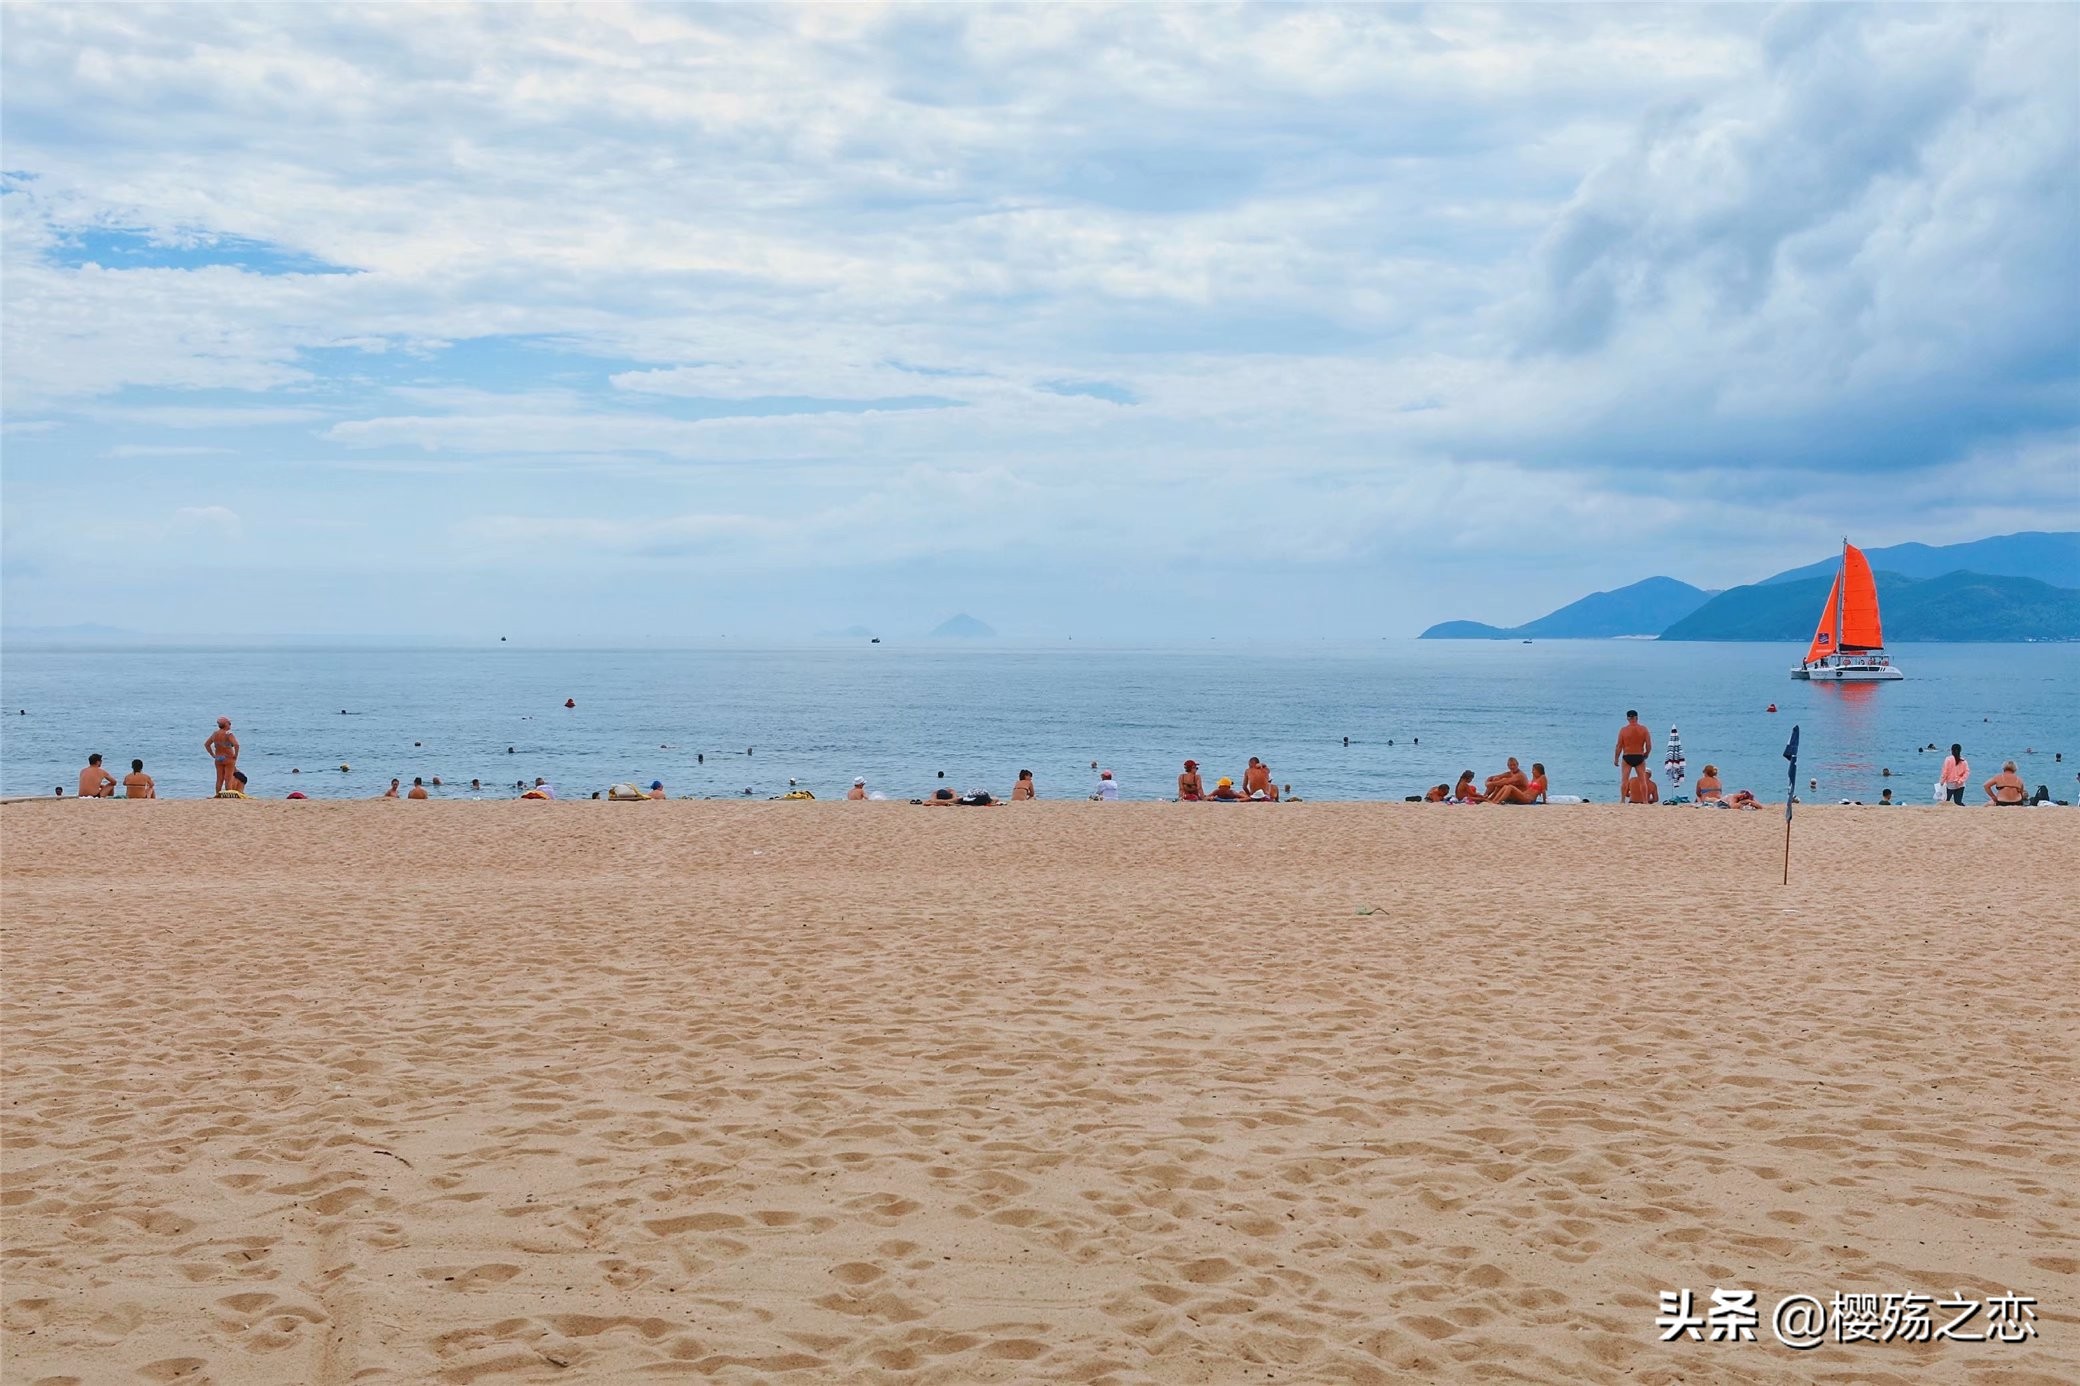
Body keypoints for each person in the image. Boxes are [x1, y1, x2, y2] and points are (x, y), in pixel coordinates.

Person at [1614, 711, 1650, 799]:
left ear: (1627, 718)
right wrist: (1646, 753)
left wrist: (1616, 759)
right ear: (1637, 718)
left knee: (1624, 780)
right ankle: (1645, 801)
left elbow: (1619, 746)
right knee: (1642, 781)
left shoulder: (1623, 730)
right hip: (1639, 756)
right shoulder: (1644, 729)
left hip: (1627, 756)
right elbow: (1649, 745)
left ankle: (1622, 800)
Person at [205, 717, 239, 795]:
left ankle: (217, 794)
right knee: (228, 778)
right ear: (226, 725)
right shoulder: (228, 734)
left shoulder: (215, 734)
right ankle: (228, 794)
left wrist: (212, 754)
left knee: (219, 779)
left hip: (218, 758)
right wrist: (236, 755)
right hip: (228, 758)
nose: (230, 725)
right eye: (229, 723)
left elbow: (207, 744)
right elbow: (236, 745)